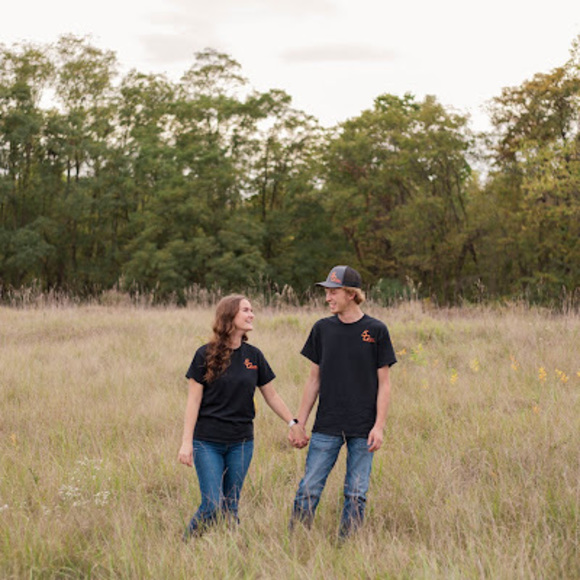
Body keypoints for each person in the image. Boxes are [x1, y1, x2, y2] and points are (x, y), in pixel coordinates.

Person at [178, 294, 308, 539]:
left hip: (242, 442)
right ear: (230, 316)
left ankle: (230, 551)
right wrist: (186, 443)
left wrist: (293, 423)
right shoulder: (204, 354)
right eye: (246, 310)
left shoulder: (254, 356)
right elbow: (193, 402)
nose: (252, 315)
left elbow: (271, 395)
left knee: (231, 506)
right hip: (207, 442)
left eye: (251, 310)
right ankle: (186, 544)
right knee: (212, 505)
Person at [289, 265, 397, 539]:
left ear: (351, 294)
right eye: (326, 292)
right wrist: (299, 422)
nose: (327, 298)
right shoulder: (322, 329)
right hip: (327, 424)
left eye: (333, 292)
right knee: (309, 488)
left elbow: (384, 384)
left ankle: (347, 546)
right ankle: (297, 542)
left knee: (356, 493)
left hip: (364, 427)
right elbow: (313, 380)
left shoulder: (376, 330)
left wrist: (379, 426)